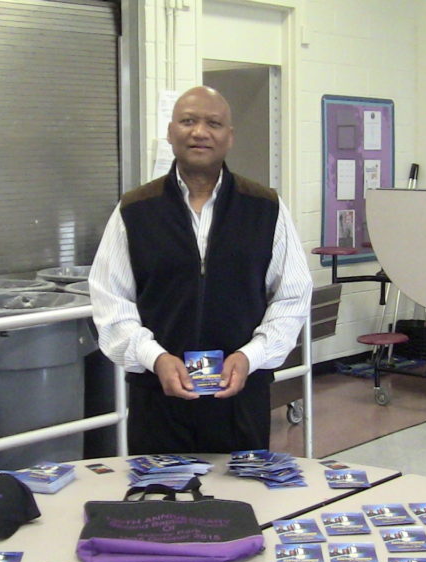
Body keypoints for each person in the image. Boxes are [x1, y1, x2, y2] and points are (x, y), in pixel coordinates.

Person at [89, 85, 312, 454]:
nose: (200, 132)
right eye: (188, 121)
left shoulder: (265, 208)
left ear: (229, 136)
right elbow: (111, 301)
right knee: (160, 505)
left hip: (241, 399)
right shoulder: (135, 210)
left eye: (213, 123)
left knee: (240, 503)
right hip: (157, 399)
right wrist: (154, 357)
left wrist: (250, 356)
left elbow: (292, 296)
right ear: (170, 132)